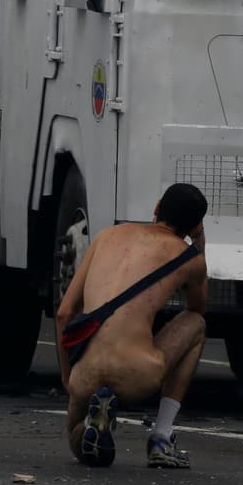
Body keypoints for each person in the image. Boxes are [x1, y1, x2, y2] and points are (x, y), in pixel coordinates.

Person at [56, 183, 209, 469]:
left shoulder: (107, 236)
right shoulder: (190, 259)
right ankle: (162, 437)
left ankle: (91, 422)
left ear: (156, 207)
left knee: (77, 443)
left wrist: (68, 377)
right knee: (196, 326)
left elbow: (65, 313)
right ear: (194, 226)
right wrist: (198, 245)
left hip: (86, 371)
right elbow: (197, 308)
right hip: (137, 372)